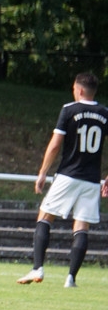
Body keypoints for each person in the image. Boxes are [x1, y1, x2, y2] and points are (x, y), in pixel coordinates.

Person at [17, 72, 108, 288]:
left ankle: (37, 268)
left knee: (45, 216)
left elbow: (55, 144)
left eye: (74, 89)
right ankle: (71, 278)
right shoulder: (105, 113)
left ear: (80, 90)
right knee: (82, 226)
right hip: (91, 179)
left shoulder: (69, 110)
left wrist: (43, 172)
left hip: (68, 175)